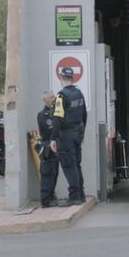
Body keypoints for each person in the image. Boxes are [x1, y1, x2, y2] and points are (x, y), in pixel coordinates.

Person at [52, 66, 87, 206]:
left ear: (61, 78)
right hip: (78, 133)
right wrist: (82, 133)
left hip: (65, 135)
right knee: (77, 164)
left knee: (69, 166)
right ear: (72, 77)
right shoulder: (79, 93)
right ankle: (81, 194)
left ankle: (74, 197)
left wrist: (53, 138)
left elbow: (57, 118)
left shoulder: (61, 96)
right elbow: (84, 115)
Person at [36, 90, 60, 207]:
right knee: (47, 174)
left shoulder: (57, 112)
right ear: (45, 100)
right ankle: (45, 200)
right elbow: (49, 130)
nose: (53, 99)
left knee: (55, 174)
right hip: (48, 148)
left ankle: (51, 196)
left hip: (56, 148)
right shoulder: (42, 115)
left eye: (53, 97)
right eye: (51, 98)